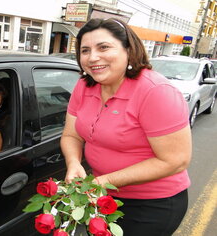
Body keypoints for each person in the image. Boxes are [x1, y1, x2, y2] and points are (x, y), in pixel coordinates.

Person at [60, 18, 192, 236]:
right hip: (101, 195)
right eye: (85, 50)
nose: (93, 57)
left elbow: (175, 160)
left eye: (103, 47)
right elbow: (71, 135)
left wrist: (104, 181)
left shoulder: (156, 91)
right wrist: (73, 163)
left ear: (128, 50)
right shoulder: (84, 86)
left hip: (151, 205)